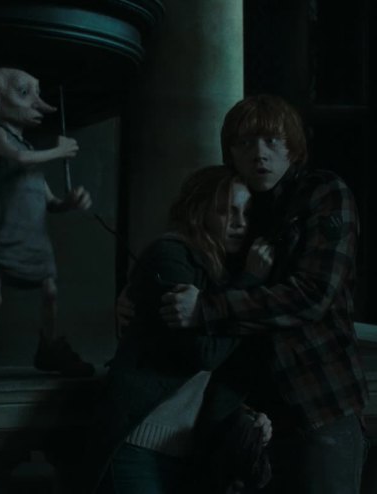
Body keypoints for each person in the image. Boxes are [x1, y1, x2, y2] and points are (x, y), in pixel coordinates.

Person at [160, 95, 369, 493]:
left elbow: (313, 295)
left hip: (319, 402)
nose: (259, 154)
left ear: (292, 147)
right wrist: (141, 298)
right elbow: (194, 261)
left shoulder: (323, 192)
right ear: (231, 153)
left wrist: (207, 309)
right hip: (252, 410)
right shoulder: (236, 204)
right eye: (245, 143)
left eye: (272, 141)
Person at [83, 166, 274, 494]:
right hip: (139, 442)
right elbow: (204, 353)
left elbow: (221, 369)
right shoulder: (171, 254)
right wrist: (249, 284)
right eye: (226, 210)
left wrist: (245, 413)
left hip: (185, 451)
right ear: (200, 211)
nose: (240, 222)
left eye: (246, 212)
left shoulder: (221, 271)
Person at [0, 67, 95, 379]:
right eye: (23, 93)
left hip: (35, 239)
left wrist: (70, 202)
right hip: (3, 234)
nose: (37, 103)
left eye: (37, 93)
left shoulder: (31, 148)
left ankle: (48, 347)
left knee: (50, 293)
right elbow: (18, 160)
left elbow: (49, 201)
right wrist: (59, 151)